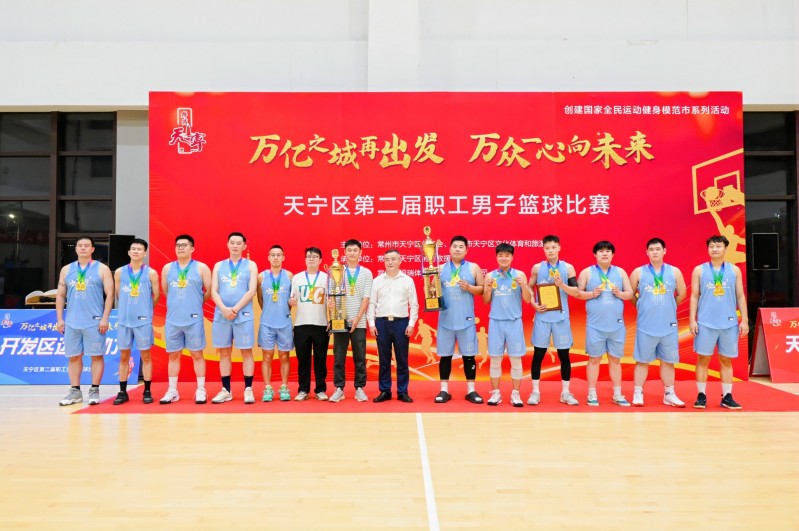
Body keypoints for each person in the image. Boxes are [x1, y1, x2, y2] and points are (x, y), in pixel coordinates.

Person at [689, 235, 748, 409]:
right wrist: (692, 320)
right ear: (708, 249)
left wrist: (744, 320)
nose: (715, 249)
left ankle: (727, 396)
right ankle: (701, 395)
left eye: (718, 246)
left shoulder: (734, 270)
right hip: (705, 323)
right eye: (712, 246)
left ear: (725, 248)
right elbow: (694, 296)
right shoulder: (699, 270)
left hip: (729, 323)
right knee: (703, 359)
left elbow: (740, 296)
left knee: (726, 360)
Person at [56, 236, 115, 406]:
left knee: (96, 356)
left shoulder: (102, 269)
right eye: (80, 245)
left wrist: (105, 318)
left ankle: (94, 390)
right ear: (75, 249)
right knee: (74, 357)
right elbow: (60, 295)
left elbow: (110, 294)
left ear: (92, 249)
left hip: (94, 321)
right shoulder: (66, 270)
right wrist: (59, 319)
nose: (83, 248)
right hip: (72, 321)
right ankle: (75, 392)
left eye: (86, 245)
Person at [629, 238, 687, 407]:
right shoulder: (638, 272)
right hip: (646, 325)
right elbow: (631, 295)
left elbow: (682, 293)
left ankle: (669, 394)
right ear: (646, 252)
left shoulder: (674, 272)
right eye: (651, 249)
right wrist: (642, 305)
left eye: (658, 249)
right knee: (642, 361)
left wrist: (669, 306)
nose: (655, 252)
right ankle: (638, 392)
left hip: (668, 325)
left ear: (664, 251)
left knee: (668, 361)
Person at [577, 240, 634, 407]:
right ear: (595, 254)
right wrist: (591, 294)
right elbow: (577, 294)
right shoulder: (587, 272)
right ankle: (591, 393)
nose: (604, 253)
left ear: (612, 254)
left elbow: (630, 294)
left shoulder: (620, 272)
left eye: (608, 251)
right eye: (601, 251)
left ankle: (617, 394)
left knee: (615, 360)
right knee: (594, 359)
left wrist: (620, 293)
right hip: (595, 326)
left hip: (616, 326)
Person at [159, 234, 212, 404]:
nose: (180, 248)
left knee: (197, 354)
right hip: (173, 319)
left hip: (193, 319)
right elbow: (166, 291)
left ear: (192, 248)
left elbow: (208, 291)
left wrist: (195, 304)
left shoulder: (201, 268)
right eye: (178, 245)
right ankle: (172, 390)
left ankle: (201, 390)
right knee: (173, 355)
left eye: (184, 245)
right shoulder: (167, 268)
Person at [527, 235, 580, 406]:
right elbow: (529, 288)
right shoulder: (537, 268)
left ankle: (565, 392)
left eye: (553, 247)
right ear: (543, 249)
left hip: (561, 318)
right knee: (538, 355)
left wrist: (562, 285)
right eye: (547, 248)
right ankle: (535, 391)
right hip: (542, 317)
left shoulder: (568, 268)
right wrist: (534, 303)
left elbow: (576, 292)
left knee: (564, 355)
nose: (550, 251)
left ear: (559, 248)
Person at [435, 235, 485, 404]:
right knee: (445, 356)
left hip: (466, 320)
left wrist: (469, 287)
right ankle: (444, 390)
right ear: (449, 249)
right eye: (454, 246)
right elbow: (432, 291)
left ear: (466, 250)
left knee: (469, 356)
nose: (457, 249)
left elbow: (482, 290)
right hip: (446, 320)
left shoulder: (473, 268)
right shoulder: (440, 268)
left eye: (461, 246)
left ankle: (471, 390)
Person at [210, 232, 259, 404]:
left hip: (243, 314)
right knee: (224, 352)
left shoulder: (251, 265)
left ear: (244, 246)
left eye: (239, 243)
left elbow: (252, 290)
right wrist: (224, 309)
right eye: (232, 242)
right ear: (227, 244)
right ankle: (226, 390)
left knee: (246, 351)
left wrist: (236, 309)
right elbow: (213, 290)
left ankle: (248, 389)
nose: (235, 246)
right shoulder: (219, 266)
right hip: (222, 314)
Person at [483, 243, 532, 407]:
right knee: (495, 360)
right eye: (500, 255)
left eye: (507, 255)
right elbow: (486, 301)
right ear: (496, 257)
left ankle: (515, 394)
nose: (503, 258)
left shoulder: (520, 275)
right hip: (496, 322)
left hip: (514, 323)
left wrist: (523, 285)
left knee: (516, 360)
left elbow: (527, 299)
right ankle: (496, 393)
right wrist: (487, 289)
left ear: (512, 257)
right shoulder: (490, 276)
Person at [367, 249, 419, 403]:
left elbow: (414, 304)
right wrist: (371, 324)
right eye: (387, 259)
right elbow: (372, 303)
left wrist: (411, 324)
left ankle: (402, 391)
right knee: (384, 360)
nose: (390, 262)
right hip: (381, 323)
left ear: (400, 260)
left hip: (401, 323)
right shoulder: (377, 281)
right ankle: (385, 391)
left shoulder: (407, 280)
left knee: (402, 360)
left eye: (393, 259)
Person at [113, 238, 160, 405]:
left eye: (139, 249)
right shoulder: (119, 272)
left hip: (143, 321)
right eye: (133, 249)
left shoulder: (151, 273)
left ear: (144, 253)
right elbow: (119, 295)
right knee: (124, 356)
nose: (136, 251)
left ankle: (147, 390)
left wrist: (145, 310)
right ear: (128, 252)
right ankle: (122, 392)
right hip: (124, 321)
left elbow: (156, 296)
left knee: (146, 356)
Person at [328, 239, 373, 403]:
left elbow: (366, 298)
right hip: (340, 321)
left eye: (355, 250)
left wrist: (358, 318)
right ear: (344, 252)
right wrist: (332, 310)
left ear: (361, 252)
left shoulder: (366, 273)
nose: (352, 253)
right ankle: (339, 388)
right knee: (339, 357)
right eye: (349, 250)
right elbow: (332, 295)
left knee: (360, 357)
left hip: (358, 322)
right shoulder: (337, 270)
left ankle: (359, 388)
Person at [290, 247, 330, 401]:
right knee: (303, 360)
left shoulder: (327, 278)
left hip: (321, 324)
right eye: (309, 256)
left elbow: (331, 301)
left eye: (315, 256)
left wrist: (331, 320)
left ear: (320, 260)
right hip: (301, 324)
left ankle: (320, 389)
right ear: (305, 259)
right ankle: (303, 390)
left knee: (321, 359)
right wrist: (291, 301)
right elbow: (292, 298)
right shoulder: (297, 278)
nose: (311, 259)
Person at [256, 245, 293, 402]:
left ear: (283, 257)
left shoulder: (289, 276)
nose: (276, 257)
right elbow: (260, 299)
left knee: (284, 356)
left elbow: (291, 300)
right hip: (267, 323)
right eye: (273, 255)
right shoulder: (261, 277)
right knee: (267, 356)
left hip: (284, 323)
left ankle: (284, 387)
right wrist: (269, 312)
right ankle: (268, 388)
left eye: (279, 255)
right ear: (268, 258)